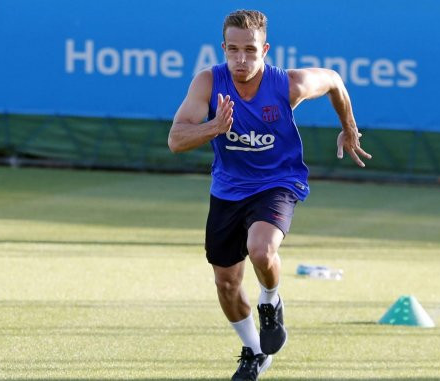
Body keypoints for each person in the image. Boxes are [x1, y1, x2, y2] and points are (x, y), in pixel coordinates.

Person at [167, 9, 371, 381]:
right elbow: (176, 139)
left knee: (261, 248)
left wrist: (349, 128)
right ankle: (254, 351)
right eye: (233, 50)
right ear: (223, 48)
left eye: (250, 50)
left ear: (266, 49)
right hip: (228, 189)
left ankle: (270, 300)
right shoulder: (208, 83)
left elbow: (335, 81)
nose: (241, 60)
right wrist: (214, 126)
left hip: (278, 182)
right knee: (226, 284)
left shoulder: (288, 85)